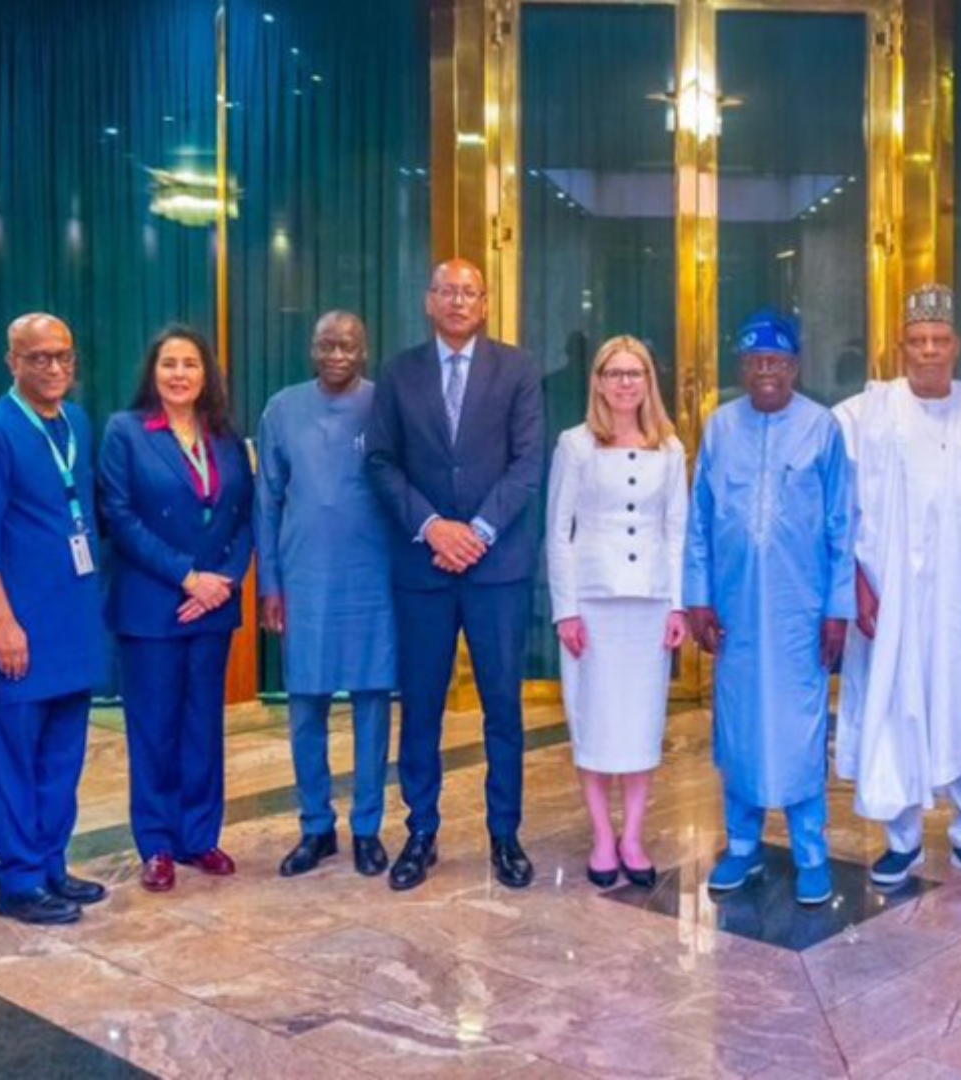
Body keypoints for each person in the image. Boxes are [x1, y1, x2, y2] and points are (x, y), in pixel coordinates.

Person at [366, 259, 545, 892]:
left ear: (485, 303)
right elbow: (381, 462)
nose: (458, 301)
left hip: (498, 570)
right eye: (447, 290)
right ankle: (421, 831)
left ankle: (505, 834)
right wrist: (433, 526)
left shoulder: (517, 369)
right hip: (424, 567)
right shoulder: (399, 372)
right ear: (429, 301)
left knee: (503, 706)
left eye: (469, 292)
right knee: (421, 706)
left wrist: (479, 531)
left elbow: (528, 463)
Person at [833, 284, 961, 891]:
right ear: (900, 347)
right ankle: (902, 840)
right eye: (918, 341)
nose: (929, 350)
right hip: (892, 596)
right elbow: (840, 511)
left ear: (957, 346)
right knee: (895, 703)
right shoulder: (864, 414)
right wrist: (857, 585)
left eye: (939, 340)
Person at [685, 309, 855, 907]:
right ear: (742, 367)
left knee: (799, 730)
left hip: (798, 612)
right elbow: (699, 522)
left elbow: (842, 524)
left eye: (777, 362)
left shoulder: (822, 428)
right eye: (755, 361)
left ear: (794, 368)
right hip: (734, 613)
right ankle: (742, 846)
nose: (765, 371)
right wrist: (697, 597)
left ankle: (811, 853)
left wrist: (837, 609)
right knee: (740, 729)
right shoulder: (720, 428)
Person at [0, 313, 111, 925]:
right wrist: (1, 620)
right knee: (13, 758)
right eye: (39, 357)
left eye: (63, 356)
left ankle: (51, 865)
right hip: (17, 628)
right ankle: (18, 880)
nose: (54, 368)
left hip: (71, 621)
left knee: (62, 756)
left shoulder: (76, 422)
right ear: (12, 362)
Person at [100, 325, 255, 894]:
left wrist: (225, 581)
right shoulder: (126, 431)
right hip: (152, 605)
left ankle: (200, 836)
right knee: (154, 729)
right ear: (153, 371)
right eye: (169, 363)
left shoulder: (226, 437)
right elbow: (119, 516)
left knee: (202, 725)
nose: (180, 374)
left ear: (206, 373)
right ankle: (158, 844)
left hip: (213, 605)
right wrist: (187, 577)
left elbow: (246, 517)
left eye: (191, 363)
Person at [256, 312, 397, 880]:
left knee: (372, 703)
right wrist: (269, 583)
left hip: (373, 578)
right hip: (304, 579)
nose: (337, 354)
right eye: (326, 345)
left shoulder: (385, 405)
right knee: (305, 706)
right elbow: (266, 501)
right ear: (312, 349)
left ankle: (367, 827)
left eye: (348, 345)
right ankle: (316, 825)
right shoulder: (282, 409)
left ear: (365, 350)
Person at [546, 336, 688, 889]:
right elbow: (558, 533)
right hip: (593, 604)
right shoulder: (575, 445)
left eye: (635, 373)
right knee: (594, 722)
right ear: (599, 382)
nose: (625, 383)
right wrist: (565, 611)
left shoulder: (670, 448)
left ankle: (633, 835)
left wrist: (677, 605)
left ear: (649, 382)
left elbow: (675, 532)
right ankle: (603, 836)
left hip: (648, 605)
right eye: (615, 373)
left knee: (640, 725)